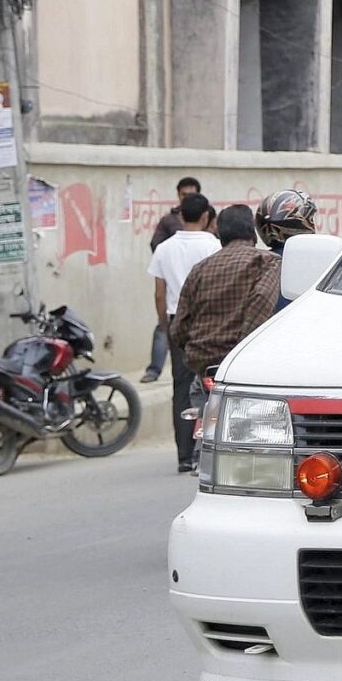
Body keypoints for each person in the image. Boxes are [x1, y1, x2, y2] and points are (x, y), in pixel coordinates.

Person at [169, 204, 283, 472]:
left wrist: (195, 348)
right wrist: (241, 351)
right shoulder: (266, 263)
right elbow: (261, 303)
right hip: (241, 368)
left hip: (203, 367)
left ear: (219, 234)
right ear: (254, 234)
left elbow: (178, 328)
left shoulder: (200, 269)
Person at [147, 193, 217, 467]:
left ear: (180, 216)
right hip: (207, 320)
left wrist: (166, 325)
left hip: (178, 320)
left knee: (181, 386)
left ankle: (184, 455)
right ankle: (206, 450)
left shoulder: (164, 248)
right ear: (205, 217)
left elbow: (158, 293)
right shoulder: (212, 245)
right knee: (211, 386)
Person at [143, 174, 203, 379]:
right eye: (183, 194)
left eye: (190, 195)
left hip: (200, 300)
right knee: (164, 329)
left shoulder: (207, 221)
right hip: (175, 293)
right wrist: (175, 255)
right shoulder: (169, 221)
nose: (186, 198)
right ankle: (154, 369)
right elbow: (155, 244)